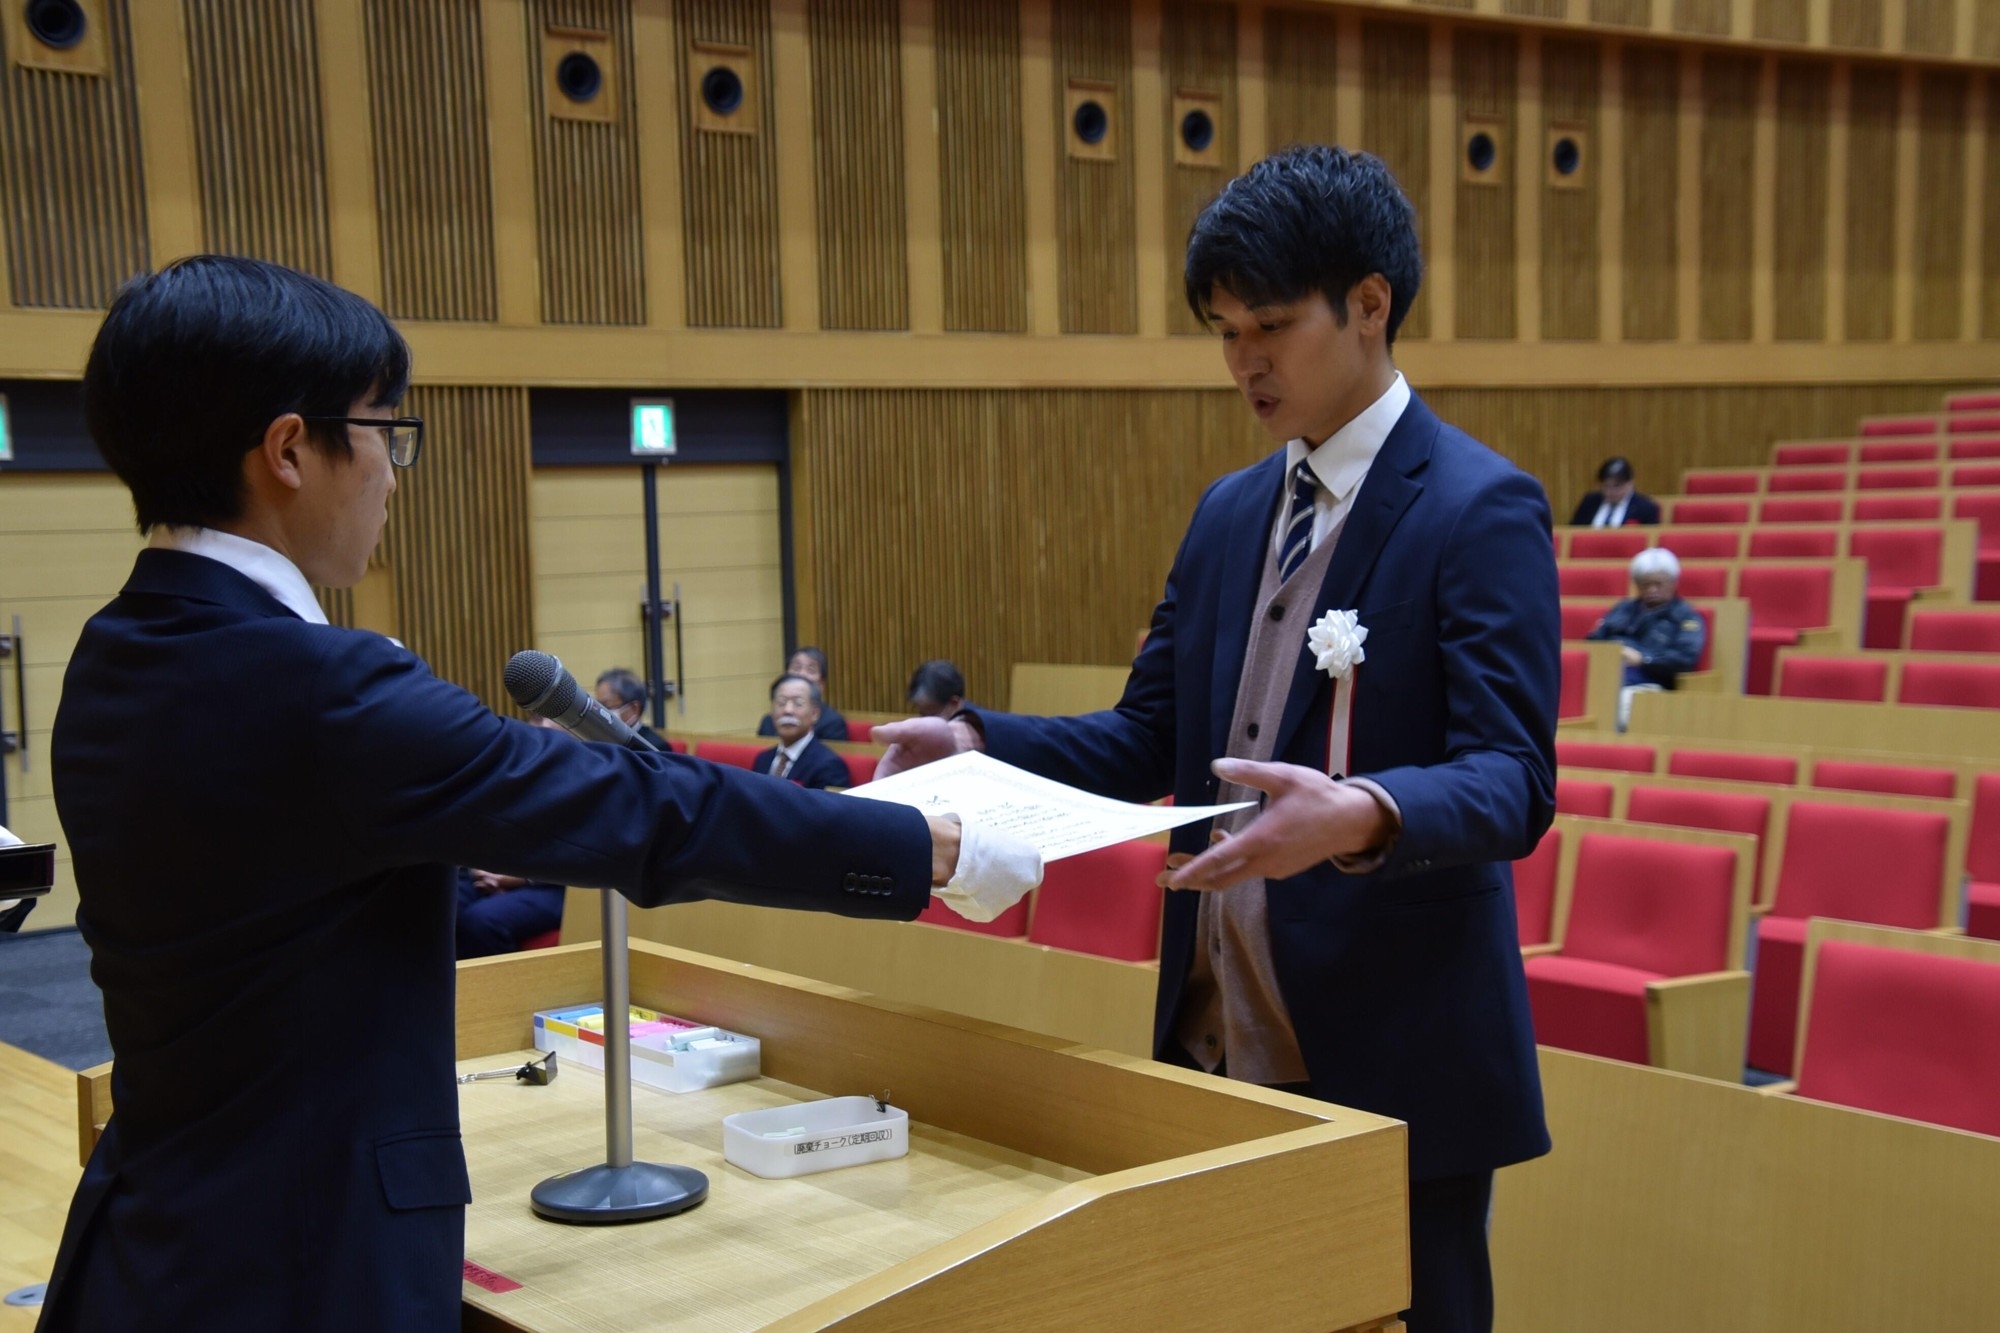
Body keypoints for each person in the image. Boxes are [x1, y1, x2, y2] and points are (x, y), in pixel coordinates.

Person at [37, 255, 1039, 1332]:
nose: (391, 472)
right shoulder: (319, 686)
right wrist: (920, 841)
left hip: (154, 1245)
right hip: (306, 1263)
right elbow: (643, 810)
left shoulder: (113, 654)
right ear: (290, 449)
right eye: (382, 431)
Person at [876, 145, 1556, 1332]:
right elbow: (1147, 738)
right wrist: (976, 745)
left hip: (1395, 1057)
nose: (1242, 360)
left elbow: (1512, 777)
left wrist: (1368, 812)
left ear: (1367, 305)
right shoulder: (1230, 510)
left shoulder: (1474, 505)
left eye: (1270, 326)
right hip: (1211, 1044)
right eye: (1224, 330)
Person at [1586, 548, 1706, 731]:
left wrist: (1643, 659)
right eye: (1645, 584)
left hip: (1650, 684)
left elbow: (1685, 659)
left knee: (1618, 705)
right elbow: (1593, 641)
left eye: (1659, 584)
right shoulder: (1623, 608)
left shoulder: (1686, 617)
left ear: (1673, 583)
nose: (1652, 590)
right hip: (1606, 676)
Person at [753, 674, 849, 790]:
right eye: (781, 703)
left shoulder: (829, 765)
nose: (788, 710)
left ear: (815, 713)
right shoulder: (763, 759)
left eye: (798, 703)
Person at [755, 646, 848, 740]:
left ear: (821, 685)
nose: (802, 675)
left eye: (811, 670)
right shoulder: (769, 722)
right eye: (796, 668)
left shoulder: (831, 723)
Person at [1569, 456, 1658, 527]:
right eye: (1605, 486)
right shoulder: (1590, 502)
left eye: (1616, 486)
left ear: (1630, 483)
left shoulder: (1645, 508)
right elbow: (1574, 530)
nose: (1609, 492)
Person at [593, 665, 669, 750]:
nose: (601, 712)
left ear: (634, 709)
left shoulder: (654, 747)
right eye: (599, 705)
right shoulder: (597, 741)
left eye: (606, 706)